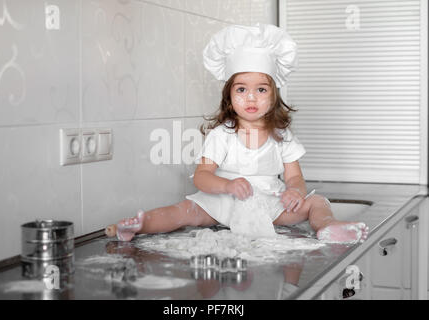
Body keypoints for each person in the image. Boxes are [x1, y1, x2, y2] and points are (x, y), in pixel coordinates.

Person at [105, 24, 369, 244]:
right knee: (183, 211)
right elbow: (202, 177)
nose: (251, 97)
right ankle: (136, 226)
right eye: (241, 89)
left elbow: (295, 176)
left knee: (317, 201)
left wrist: (295, 192)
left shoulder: (282, 135)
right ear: (230, 97)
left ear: (274, 95)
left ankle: (328, 227)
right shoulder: (223, 135)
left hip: (268, 206)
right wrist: (227, 186)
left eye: (261, 90)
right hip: (224, 203)